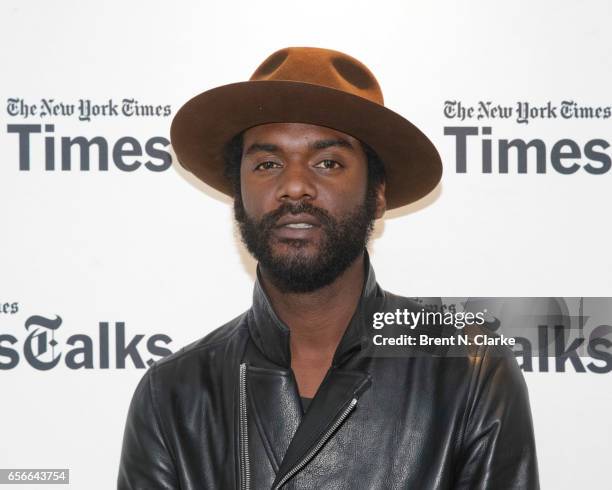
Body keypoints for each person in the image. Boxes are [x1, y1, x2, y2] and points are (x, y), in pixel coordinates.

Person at [117, 47, 539, 489]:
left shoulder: (468, 368)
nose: (295, 186)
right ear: (239, 195)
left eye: (328, 163)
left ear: (377, 194)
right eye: (267, 164)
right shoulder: (174, 394)